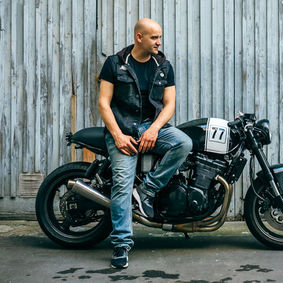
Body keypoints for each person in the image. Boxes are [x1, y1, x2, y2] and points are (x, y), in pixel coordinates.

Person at [97, 18, 192, 269]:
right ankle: (121, 243)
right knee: (121, 183)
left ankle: (147, 191)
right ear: (139, 37)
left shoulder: (163, 65)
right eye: (154, 37)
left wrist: (154, 129)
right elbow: (103, 103)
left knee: (183, 143)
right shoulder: (115, 63)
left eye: (160, 37)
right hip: (122, 131)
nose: (159, 42)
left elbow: (169, 104)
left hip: (152, 127)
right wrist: (117, 135)